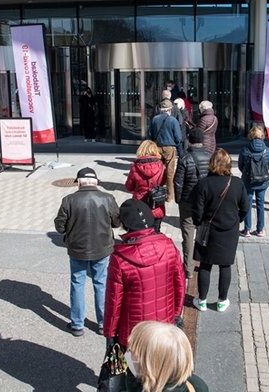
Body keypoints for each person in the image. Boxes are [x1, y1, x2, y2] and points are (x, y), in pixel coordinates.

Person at [103, 199, 185, 349]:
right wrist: (177, 313)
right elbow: (180, 283)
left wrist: (110, 333)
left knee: (136, 363)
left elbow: (113, 301)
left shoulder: (120, 259)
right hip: (164, 325)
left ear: (125, 224)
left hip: (134, 331)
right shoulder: (169, 246)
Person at [54, 167, 121, 337]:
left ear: (79, 183)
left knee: (77, 283)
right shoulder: (108, 198)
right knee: (101, 283)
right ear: (96, 182)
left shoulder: (69, 200)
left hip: (77, 248)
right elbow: (116, 223)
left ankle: (77, 324)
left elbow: (60, 226)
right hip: (102, 247)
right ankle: (103, 324)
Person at [191, 148, 248, 313]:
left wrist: (198, 223)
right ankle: (222, 301)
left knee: (205, 264)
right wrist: (237, 220)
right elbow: (245, 207)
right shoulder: (237, 183)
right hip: (230, 229)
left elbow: (197, 210)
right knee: (225, 265)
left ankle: (202, 300)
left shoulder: (204, 183)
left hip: (209, 230)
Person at [125, 321, 209, 392]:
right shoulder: (197, 385)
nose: (127, 353)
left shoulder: (133, 386)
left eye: (131, 351)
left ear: (149, 365)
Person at [173, 128, 210, 279]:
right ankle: (204, 264)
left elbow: (178, 182)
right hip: (205, 201)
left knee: (188, 234)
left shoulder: (184, 158)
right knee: (203, 233)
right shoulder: (210, 156)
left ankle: (188, 269)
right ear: (202, 140)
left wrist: (178, 199)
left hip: (187, 200)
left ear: (189, 141)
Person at [125, 140, 167, 233]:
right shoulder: (162, 167)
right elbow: (163, 182)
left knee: (139, 234)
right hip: (156, 205)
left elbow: (129, 187)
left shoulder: (135, 168)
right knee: (155, 233)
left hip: (140, 207)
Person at [238, 126, 269, 237]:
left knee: (247, 204)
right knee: (260, 204)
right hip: (262, 181)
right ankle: (260, 229)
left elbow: (240, 165)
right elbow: (268, 166)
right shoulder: (267, 150)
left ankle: (247, 230)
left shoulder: (245, 150)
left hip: (248, 181)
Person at [146, 100, 182, 203]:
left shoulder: (155, 119)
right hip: (169, 148)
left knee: (157, 171)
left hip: (157, 147)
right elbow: (178, 137)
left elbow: (149, 135)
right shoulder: (173, 120)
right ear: (170, 109)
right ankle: (170, 196)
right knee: (170, 173)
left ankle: (157, 192)